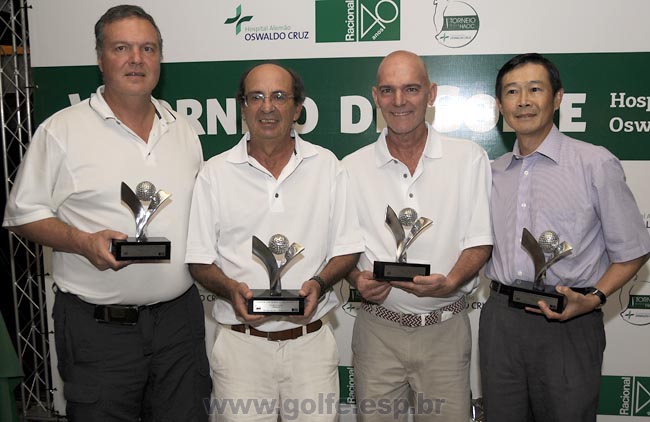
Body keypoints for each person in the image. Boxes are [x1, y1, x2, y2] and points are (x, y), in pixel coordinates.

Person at [2, 5, 211, 421]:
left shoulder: (183, 130)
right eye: (122, 48)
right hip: (98, 331)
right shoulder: (61, 131)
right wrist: (82, 241)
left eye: (148, 48)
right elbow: (22, 214)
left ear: (160, 59)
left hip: (179, 326)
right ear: (100, 59)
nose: (137, 59)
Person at [185, 62, 363, 421]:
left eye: (280, 96)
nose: (268, 107)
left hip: (310, 345)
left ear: (298, 108)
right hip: (240, 350)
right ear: (243, 107)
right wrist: (231, 287)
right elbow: (199, 260)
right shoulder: (214, 173)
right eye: (257, 97)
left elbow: (347, 249)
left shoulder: (328, 166)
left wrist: (319, 282)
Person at [480, 52, 650, 422]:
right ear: (500, 105)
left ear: (557, 98)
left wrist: (595, 299)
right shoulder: (492, 173)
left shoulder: (594, 163)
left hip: (568, 319)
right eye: (512, 92)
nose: (523, 101)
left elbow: (634, 250)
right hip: (501, 322)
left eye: (534, 89)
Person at [343, 50, 493, 421]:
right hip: (378, 330)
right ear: (375, 96)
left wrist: (452, 281)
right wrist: (356, 278)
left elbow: (480, 240)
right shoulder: (350, 168)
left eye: (411, 89)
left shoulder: (469, 158)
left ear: (431, 94)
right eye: (388, 90)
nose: (399, 101)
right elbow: (342, 249)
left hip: (444, 330)